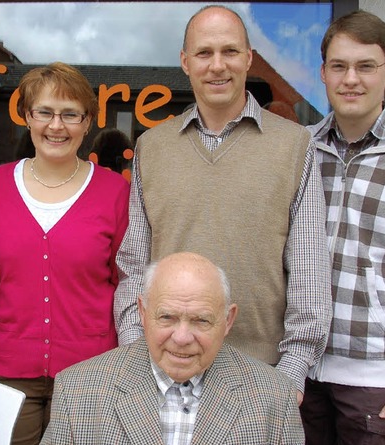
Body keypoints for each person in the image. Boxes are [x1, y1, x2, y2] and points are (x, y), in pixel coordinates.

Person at [114, 4, 332, 402]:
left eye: (230, 52)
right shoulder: (152, 147)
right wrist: (135, 351)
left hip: (261, 375)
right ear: (185, 62)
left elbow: (309, 270)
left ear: (249, 59)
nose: (218, 65)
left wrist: (292, 371)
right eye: (204, 53)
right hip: (164, 370)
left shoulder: (294, 145)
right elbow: (134, 266)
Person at [0, 62, 130, 445]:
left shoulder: (115, 192)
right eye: (44, 111)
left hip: (92, 372)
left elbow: (127, 282)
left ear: (87, 122)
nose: (56, 125)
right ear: (27, 115)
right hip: (8, 371)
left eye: (70, 114)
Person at [300, 11, 385, 445]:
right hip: (302, 374)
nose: (350, 79)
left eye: (365, 66)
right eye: (338, 66)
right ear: (323, 73)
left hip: (381, 384)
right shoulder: (302, 150)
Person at [36, 252, 305, 445]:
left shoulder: (275, 396)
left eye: (201, 320)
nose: (182, 337)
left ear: (228, 320)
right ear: (142, 312)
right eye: (167, 317)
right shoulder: (78, 391)